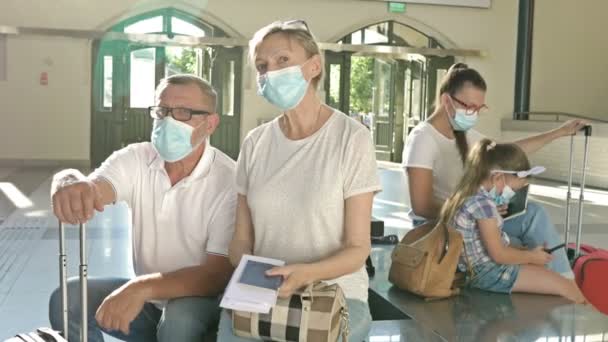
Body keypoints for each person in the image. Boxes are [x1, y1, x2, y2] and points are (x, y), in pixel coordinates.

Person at [217, 20, 382, 342]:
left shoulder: (351, 139)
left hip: (335, 294)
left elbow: (357, 249)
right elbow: (240, 241)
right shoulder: (255, 142)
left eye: (282, 60)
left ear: (314, 66)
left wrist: (304, 274)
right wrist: (257, 278)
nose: (271, 72)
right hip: (263, 290)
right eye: (262, 66)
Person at [49, 74, 237, 342]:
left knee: (178, 322)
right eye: (162, 111)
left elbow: (215, 276)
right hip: (150, 301)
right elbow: (93, 189)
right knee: (66, 300)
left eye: (183, 112)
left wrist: (141, 287)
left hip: (201, 303)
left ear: (211, 123)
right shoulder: (138, 158)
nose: (169, 121)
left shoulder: (229, 180)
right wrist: (68, 180)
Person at [402, 63, 587, 279]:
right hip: (441, 225)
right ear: (446, 100)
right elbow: (422, 206)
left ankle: (564, 280)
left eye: (479, 109)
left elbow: (509, 152)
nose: (473, 114)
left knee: (534, 214)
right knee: (519, 240)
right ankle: (563, 286)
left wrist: (560, 132)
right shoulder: (423, 139)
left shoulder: (465, 134)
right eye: (469, 107)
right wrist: (476, 211)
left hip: (471, 217)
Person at [438, 139, 586, 303]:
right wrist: (531, 257)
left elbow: (486, 243)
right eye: (513, 190)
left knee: (551, 277)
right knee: (566, 287)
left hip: (475, 271)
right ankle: (589, 317)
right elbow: (499, 255)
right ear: (498, 177)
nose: (511, 195)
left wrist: (526, 253)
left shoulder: (468, 195)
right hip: (488, 274)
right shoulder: (483, 204)